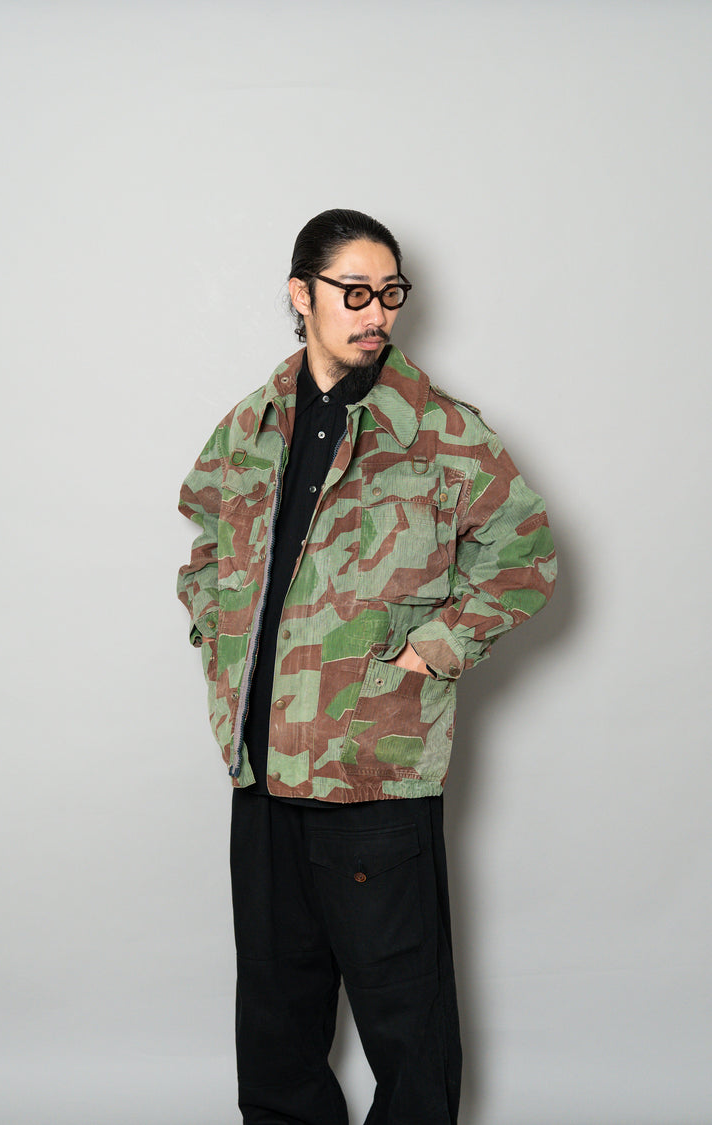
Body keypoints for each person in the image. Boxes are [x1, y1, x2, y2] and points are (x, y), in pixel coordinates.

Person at [177, 208, 556, 1125]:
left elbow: (526, 554)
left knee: (407, 1023)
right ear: (301, 295)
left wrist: (435, 651)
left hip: (373, 768)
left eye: (390, 292)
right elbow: (204, 549)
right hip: (262, 772)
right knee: (276, 1021)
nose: (377, 312)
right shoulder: (250, 427)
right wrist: (221, 644)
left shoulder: (438, 430)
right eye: (354, 292)